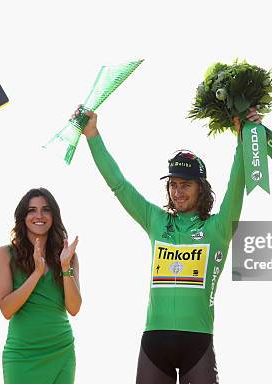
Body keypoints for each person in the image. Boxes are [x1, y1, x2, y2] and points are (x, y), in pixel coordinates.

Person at [80, 107, 260, 384]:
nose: (177, 191)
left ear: (201, 188)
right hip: (155, 341)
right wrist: (92, 135)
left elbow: (237, 184)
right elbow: (119, 185)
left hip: (197, 342)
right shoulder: (156, 220)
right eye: (173, 185)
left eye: (185, 185)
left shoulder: (217, 228)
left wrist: (244, 137)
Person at [0, 188, 82, 384]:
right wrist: (37, 273)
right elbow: (7, 309)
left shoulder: (67, 256)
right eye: (32, 210)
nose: (39, 216)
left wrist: (65, 266)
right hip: (22, 356)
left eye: (45, 210)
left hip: (61, 351)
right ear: (23, 217)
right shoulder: (4, 254)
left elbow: (74, 308)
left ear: (53, 215)